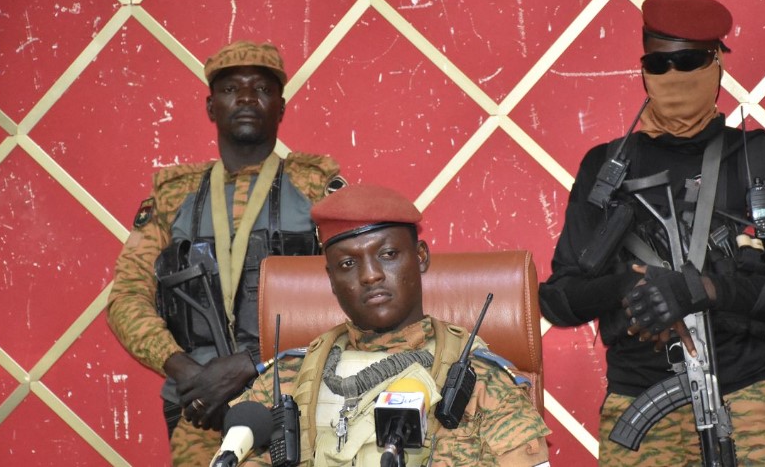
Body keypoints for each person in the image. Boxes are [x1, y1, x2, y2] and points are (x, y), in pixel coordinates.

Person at [539, 0, 765, 466]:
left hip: (746, 397)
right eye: (659, 64)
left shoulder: (757, 159)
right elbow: (558, 299)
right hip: (640, 401)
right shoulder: (606, 168)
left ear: (717, 65)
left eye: (689, 62)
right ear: (643, 71)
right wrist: (629, 288)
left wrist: (703, 290)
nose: (673, 75)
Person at [106, 40, 345, 465]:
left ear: (281, 108)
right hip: (198, 409)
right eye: (232, 88)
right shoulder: (172, 197)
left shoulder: (316, 188)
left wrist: (251, 364)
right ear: (211, 107)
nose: (247, 98)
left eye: (262, 89)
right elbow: (126, 298)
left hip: (296, 400)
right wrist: (188, 373)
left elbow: (353, 294)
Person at [236, 184, 551, 466]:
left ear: (420, 256)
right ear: (331, 279)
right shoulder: (286, 380)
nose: (370, 275)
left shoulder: (480, 380)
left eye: (387, 254)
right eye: (348, 264)